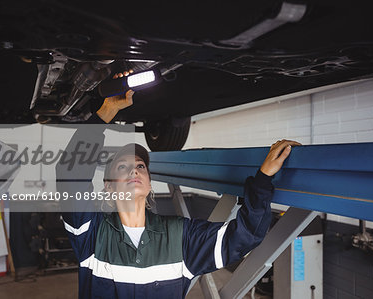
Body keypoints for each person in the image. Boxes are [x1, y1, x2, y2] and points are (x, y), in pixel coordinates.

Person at [56, 88, 300, 299]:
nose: (134, 170)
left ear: (149, 184)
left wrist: (263, 179)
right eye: (123, 167)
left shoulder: (182, 236)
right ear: (109, 186)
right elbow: (70, 174)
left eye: (140, 166)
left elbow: (244, 237)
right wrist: (106, 112)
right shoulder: (91, 233)